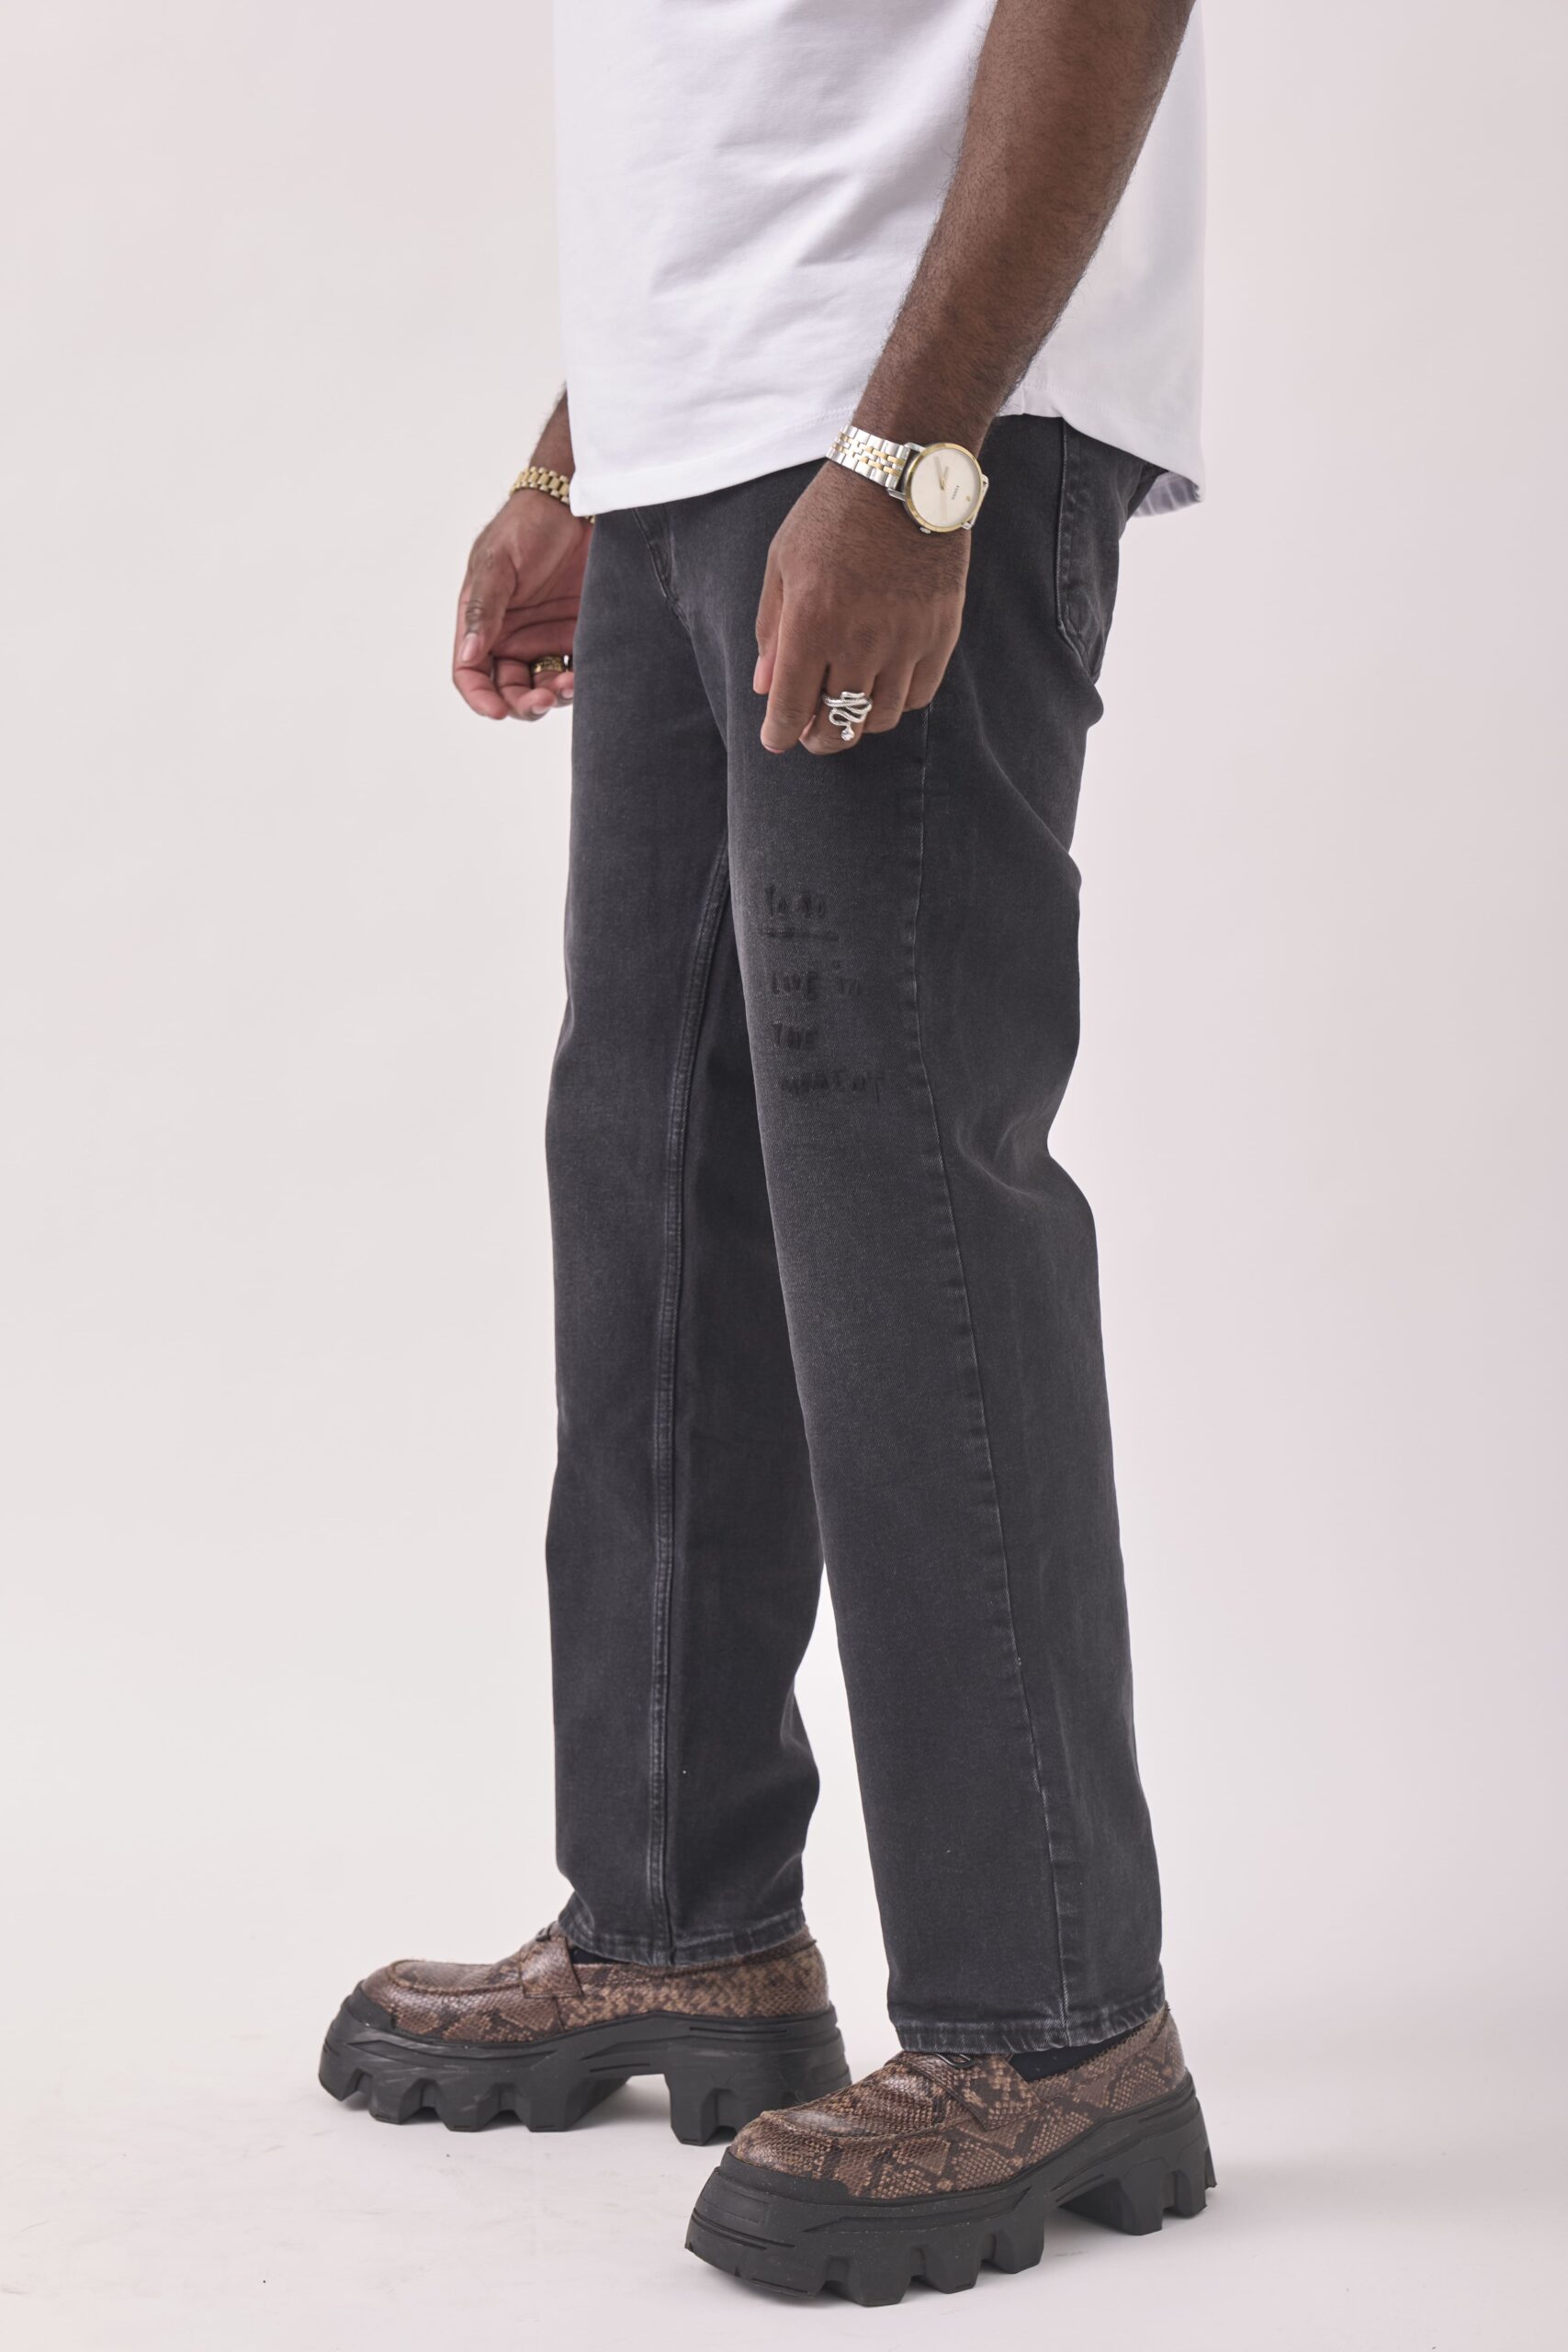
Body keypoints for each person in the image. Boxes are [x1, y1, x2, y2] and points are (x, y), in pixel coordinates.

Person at [320, 0, 1213, 2304]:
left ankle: (1051, 2018)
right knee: (656, 1173)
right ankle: (673, 1914)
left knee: (898, 1192)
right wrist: (578, 443)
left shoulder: (918, 443)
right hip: (692, 438)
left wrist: (916, 456)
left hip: (907, 423)